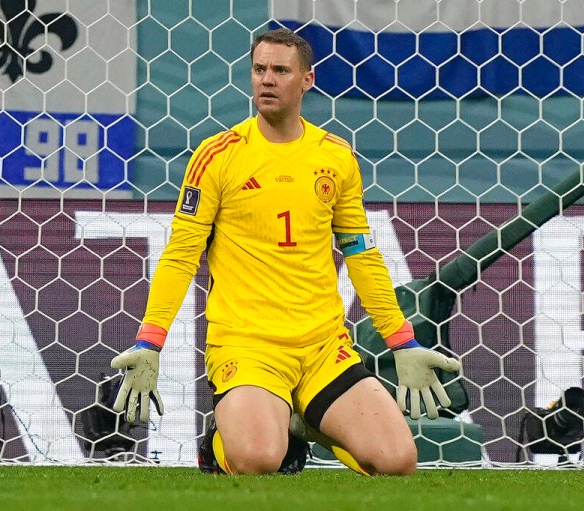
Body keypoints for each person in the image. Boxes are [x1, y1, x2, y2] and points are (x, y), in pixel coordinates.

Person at [110, 27, 461, 476]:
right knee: (258, 459)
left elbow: (361, 254)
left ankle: (306, 420)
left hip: (322, 347)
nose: (267, 80)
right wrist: (149, 342)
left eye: (280, 70)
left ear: (307, 81)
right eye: (259, 70)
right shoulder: (218, 156)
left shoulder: (335, 156)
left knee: (398, 462)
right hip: (248, 346)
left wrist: (402, 342)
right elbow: (180, 256)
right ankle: (219, 445)